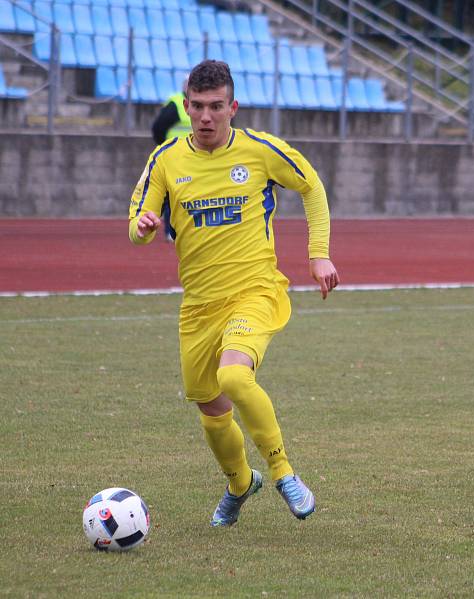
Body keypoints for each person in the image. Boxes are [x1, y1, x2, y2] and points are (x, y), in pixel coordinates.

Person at [128, 60, 340, 526]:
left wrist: (318, 253)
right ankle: (241, 483)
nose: (206, 116)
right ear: (186, 107)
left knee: (234, 379)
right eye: (198, 107)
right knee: (210, 406)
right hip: (199, 305)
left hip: (255, 291)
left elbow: (312, 187)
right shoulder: (164, 160)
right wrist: (144, 227)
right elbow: (136, 226)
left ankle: (284, 473)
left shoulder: (260, 150)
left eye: (216, 107)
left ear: (233, 107)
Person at [151, 77, 192, 241]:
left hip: (195, 156)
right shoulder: (176, 103)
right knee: (174, 193)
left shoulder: (204, 104)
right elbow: (158, 128)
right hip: (175, 156)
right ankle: (170, 230)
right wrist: (166, 147)